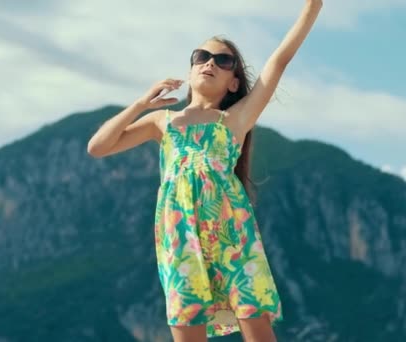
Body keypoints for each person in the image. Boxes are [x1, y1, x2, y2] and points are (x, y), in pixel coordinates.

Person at [87, 1, 323, 341]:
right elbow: (98, 147)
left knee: (255, 322)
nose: (210, 63)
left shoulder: (236, 118)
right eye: (202, 57)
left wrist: (312, 6)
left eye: (223, 60)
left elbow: (280, 60)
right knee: (187, 324)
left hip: (231, 231)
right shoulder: (162, 122)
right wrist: (142, 103)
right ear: (191, 70)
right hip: (179, 231)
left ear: (232, 82)